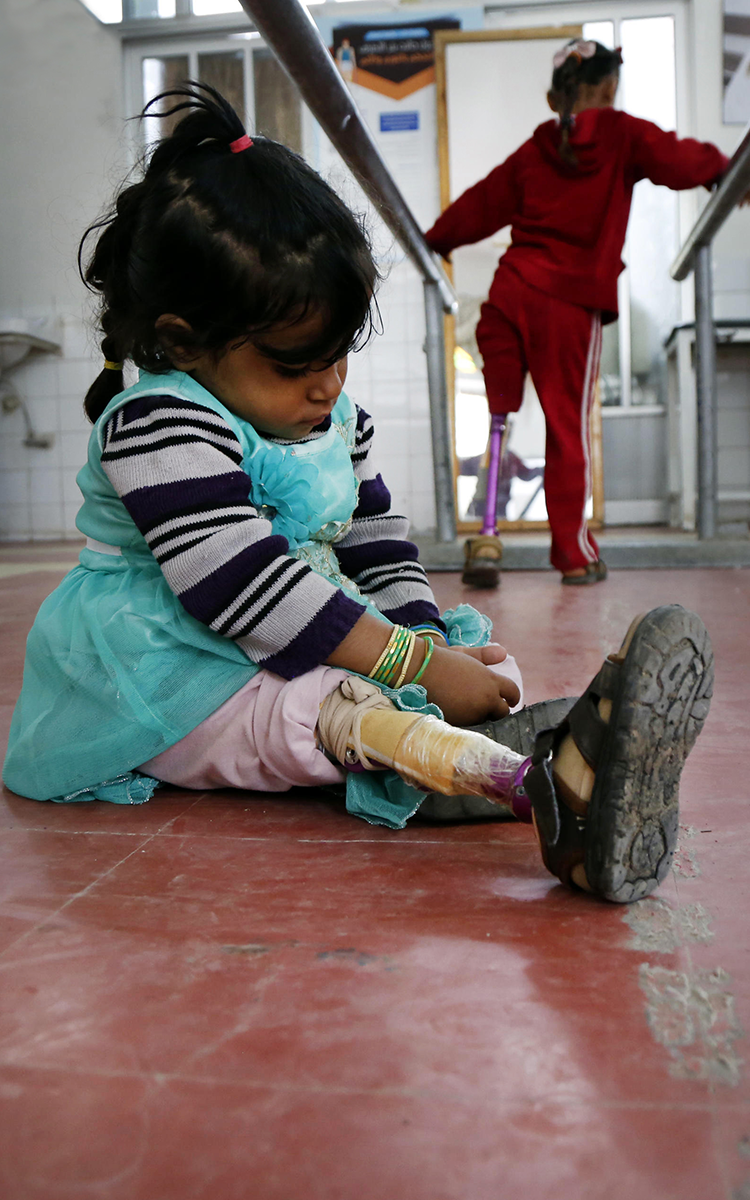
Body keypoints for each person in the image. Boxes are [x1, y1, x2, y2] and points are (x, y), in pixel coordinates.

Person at [2, 84, 714, 904]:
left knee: (479, 665)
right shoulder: (158, 420)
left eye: (339, 355)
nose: (328, 386)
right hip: (166, 670)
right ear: (181, 342)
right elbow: (237, 585)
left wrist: (424, 639)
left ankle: (552, 762)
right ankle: (538, 786)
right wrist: (411, 665)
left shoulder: (328, 410)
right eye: (298, 364)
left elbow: (373, 535)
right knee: (319, 711)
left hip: (290, 634)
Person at [424, 39, 730, 585]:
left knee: (498, 413)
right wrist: (727, 172)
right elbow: (681, 159)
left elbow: (483, 202)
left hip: (509, 295)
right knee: (566, 430)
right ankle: (573, 554)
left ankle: (486, 533)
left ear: (553, 98)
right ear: (610, 88)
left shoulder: (536, 147)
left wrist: (435, 239)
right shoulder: (624, 135)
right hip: (567, 307)